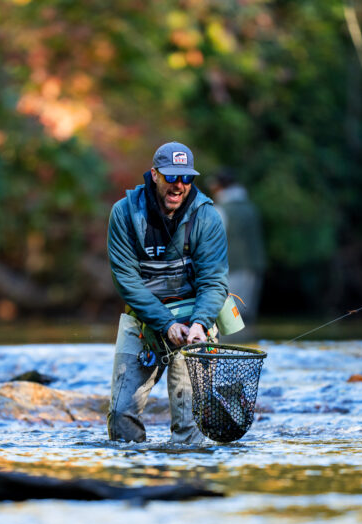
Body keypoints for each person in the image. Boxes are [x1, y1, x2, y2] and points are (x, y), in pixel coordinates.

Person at [106, 141, 229, 443]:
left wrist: (199, 324)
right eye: (171, 176)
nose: (178, 185)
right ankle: (134, 484)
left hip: (195, 326)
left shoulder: (207, 217)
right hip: (143, 324)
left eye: (186, 178)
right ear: (154, 174)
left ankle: (186, 485)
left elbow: (214, 281)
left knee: (191, 429)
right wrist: (166, 323)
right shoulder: (123, 213)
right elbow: (126, 281)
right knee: (121, 418)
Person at [210, 168, 265, 325]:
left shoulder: (221, 210)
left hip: (231, 270)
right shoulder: (250, 208)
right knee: (246, 317)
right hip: (254, 269)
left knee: (230, 322)